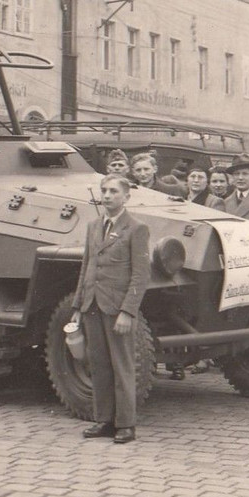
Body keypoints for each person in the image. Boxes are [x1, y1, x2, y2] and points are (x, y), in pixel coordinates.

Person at [70, 175, 150, 444]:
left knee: (122, 365)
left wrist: (128, 311)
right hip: (93, 303)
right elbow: (86, 266)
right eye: (104, 191)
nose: (107, 196)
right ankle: (103, 419)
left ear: (126, 197)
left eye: (113, 191)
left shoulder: (136, 229)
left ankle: (126, 424)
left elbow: (141, 275)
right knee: (99, 364)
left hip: (117, 308)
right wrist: (78, 306)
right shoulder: (94, 226)